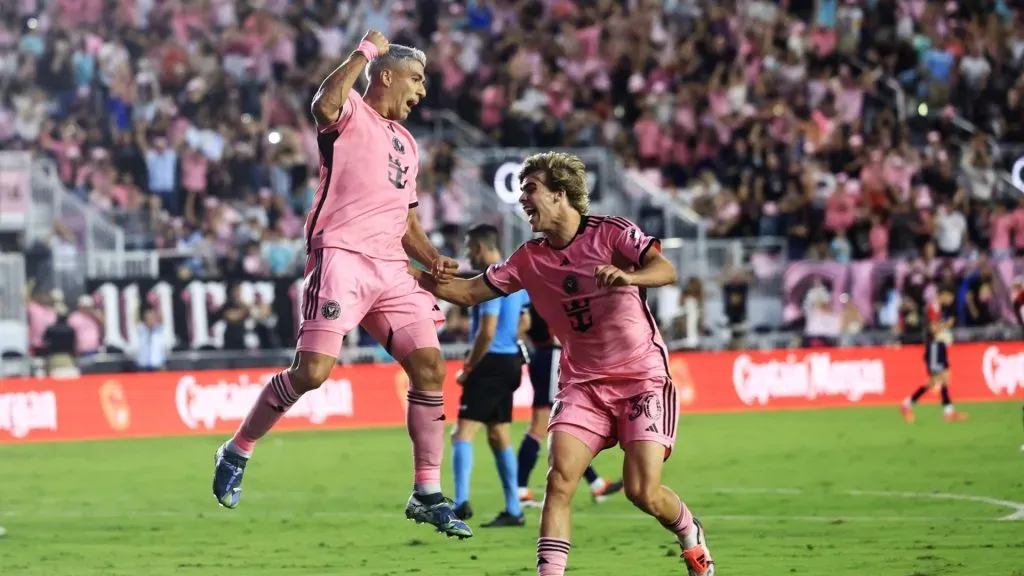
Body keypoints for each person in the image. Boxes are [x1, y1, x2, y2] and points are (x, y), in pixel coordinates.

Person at [211, 30, 471, 540]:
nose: (421, 92)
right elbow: (322, 105)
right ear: (387, 76)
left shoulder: (407, 143)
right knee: (312, 373)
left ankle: (427, 492)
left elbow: (407, 220)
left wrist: (433, 257)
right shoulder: (350, 109)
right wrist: (364, 52)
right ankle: (237, 449)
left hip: (391, 266)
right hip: (342, 257)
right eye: (416, 80)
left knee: (430, 363)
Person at [410, 152, 715, 575]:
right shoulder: (528, 258)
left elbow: (665, 269)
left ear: (560, 194)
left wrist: (630, 277)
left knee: (642, 491)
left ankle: (688, 532)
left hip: (641, 379)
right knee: (558, 482)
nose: (523, 200)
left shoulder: (611, 233)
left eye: (530, 189)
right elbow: (465, 293)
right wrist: (400, 271)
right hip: (582, 385)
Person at [450, 224, 531, 527]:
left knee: (462, 434)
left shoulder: (490, 280)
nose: (469, 254)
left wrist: (469, 367)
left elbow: (486, 331)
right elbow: (525, 322)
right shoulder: (515, 277)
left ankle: (459, 503)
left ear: (481, 248)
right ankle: (513, 509)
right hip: (510, 362)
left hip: (489, 363)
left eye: (471, 248)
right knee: (499, 436)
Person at [517, 302, 624, 507]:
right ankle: (520, 490)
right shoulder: (546, 297)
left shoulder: (536, 298)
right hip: (551, 357)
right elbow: (525, 324)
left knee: (565, 426)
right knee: (544, 426)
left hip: (550, 357)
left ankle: (596, 483)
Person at [901, 289, 969, 423]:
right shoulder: (933, 308)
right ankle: (907, 404)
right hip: (934, 346)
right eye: (950, 297)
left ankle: (948, 411)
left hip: (939, 345)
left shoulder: (937, 308)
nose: (950, 301)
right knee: (936, 380)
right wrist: (947, 325)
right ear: (944, 294)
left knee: (944, 377)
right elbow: (933, 329)